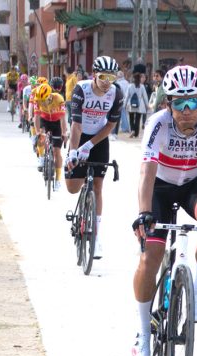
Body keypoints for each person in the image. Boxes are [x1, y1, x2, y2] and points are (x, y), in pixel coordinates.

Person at [131, 65, 197, 356]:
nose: (186, 110)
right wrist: (144, 213)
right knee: (150, 256)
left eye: (192, 102)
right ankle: (143, 331)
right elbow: (146, 172)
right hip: (160, 186)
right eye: (179, 102)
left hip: (194, 182)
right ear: (167, 104)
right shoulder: (157, 123)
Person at [65, 56, 123, 258]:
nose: (107, 82)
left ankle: (96, 238)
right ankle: (82, 196)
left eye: (112, 77)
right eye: (103, 77)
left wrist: (90, 145)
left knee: (98, 186)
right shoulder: (81, 89)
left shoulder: (116, 93)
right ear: (94, 75)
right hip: (79, 135)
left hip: (98, 140)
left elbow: (110, 125)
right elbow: (76, 124)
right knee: (72, 188)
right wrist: (74, 151)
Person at [31, 83, 68, 190]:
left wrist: (64, 132)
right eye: (40, 100)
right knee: (41, 137)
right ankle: (42, 158)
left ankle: (58, 180)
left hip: (57, 122)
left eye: (43, 99)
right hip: (44, 120)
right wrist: (38, 132)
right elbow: (36, 117)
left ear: (50, 96)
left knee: (57, 152)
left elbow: (62, 119)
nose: (41, 102)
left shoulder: (59, 98)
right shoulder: (37, 100)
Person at [124, 72, 149, 138]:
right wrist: (147, 105)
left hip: (131, 104)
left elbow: (126, 96)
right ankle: (136, 133)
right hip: (140, 105)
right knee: (138, 119)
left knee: (131, 118)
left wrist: (124, 105)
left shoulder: (130, 86)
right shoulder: (142, 86)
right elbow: (145, 97)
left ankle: (132, 130)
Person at [111, 70, 131, 140]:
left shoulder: (117, 83)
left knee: (120, 115)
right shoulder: (127, 82)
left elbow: (120, 92)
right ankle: (125, 127)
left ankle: (123, 128)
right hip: (127, 100)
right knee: (125, 114)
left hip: (120, 100)